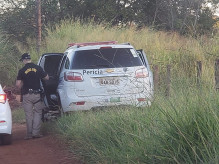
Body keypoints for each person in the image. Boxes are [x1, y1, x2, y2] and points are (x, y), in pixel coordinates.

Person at [16, 53, 49, 140]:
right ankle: (36, 133)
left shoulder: (22, 70)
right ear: (30, 59)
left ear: (24, 60)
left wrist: (23, 83)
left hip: (27, 95)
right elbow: (47, 78)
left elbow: (18, 84)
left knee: (28, 114)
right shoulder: (38, 68)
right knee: (38, 113)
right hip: (37, 95)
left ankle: (29, 134)